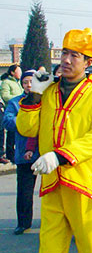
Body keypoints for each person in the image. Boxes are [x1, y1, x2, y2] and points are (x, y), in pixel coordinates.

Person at [16, 27, 92, 253]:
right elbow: (26, 128)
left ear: (88, 62)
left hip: (85, 185)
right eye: (64, 54)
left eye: (75, 55)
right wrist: (34, 95)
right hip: (52, 185)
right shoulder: (48, 91)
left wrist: (59, 155)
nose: (67, 60)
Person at [3, 69, 39, 235]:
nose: (29, 85)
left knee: (54, 192)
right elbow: (7, 121)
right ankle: (23, 222)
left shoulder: (45, 101)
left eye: (31, 82)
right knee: (24, 191)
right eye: (25, 82)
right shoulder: (16, 102)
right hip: (24, 152)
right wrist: (25, 121)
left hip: (45, 152)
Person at [1, 63, 24, 162]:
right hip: (12, 109)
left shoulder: (18, 83)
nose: (20, 73)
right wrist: (17, 100)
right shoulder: (6, 82)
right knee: (11, 134)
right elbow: (5, 95)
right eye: (18, 71)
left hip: (21, 109)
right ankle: (10, 154)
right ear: (12, 72)